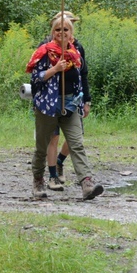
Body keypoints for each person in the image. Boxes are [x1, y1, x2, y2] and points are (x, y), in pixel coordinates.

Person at [26, 15, 103, 201]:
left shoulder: (76, 53)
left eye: (65, 29)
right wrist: (54, 69)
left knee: (76, 143)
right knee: (42, 146)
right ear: (53, 32)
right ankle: (38, 181)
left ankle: (86, 183)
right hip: (47, 104)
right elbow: (35, 78)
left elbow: (82, 77)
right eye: (58, 29)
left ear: (71, 33)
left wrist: (86, 100)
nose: (61, 32)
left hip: (70, 103)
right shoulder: (44, 51)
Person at [44, 12, 91, 190]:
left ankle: (60, 161)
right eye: (61, 26)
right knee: (53, 138)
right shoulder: (46, 47)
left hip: (73, 100)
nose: (64, 29)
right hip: (51, 100)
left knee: (75, 139)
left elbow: (83, 75)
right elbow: (37, 74)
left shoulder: (78, 48)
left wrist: (87, 100)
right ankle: (52, 176)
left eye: (69, 24)